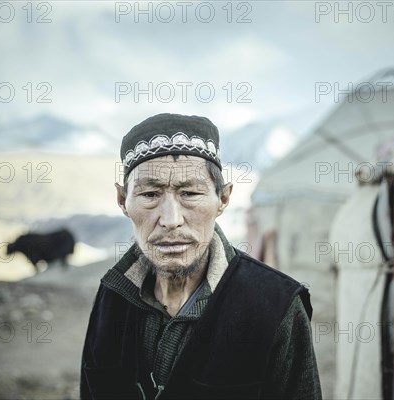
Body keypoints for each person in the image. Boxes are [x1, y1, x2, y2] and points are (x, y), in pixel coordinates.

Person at [80, 113, 322, 399]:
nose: (171, 220)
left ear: (223, 199)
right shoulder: (113, 295)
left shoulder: (277, 307)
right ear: (123, 201)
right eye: (149, 195)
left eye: (190, 193)